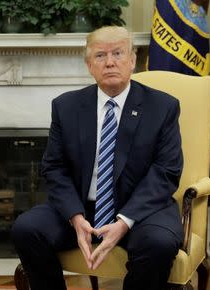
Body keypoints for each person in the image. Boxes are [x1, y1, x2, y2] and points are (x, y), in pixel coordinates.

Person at [11, 26, 184, 290]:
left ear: (133, 61)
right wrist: (75, 217)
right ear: (89, 65)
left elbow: (166, 171)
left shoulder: (162, 107)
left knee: (158, 243)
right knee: (27, 228)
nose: (110, 62)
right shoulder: (66, 107)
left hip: (142, 210)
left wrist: (124, 221)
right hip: (82, 207)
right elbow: (54, 168)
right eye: (101, 56)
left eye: (118, 53)